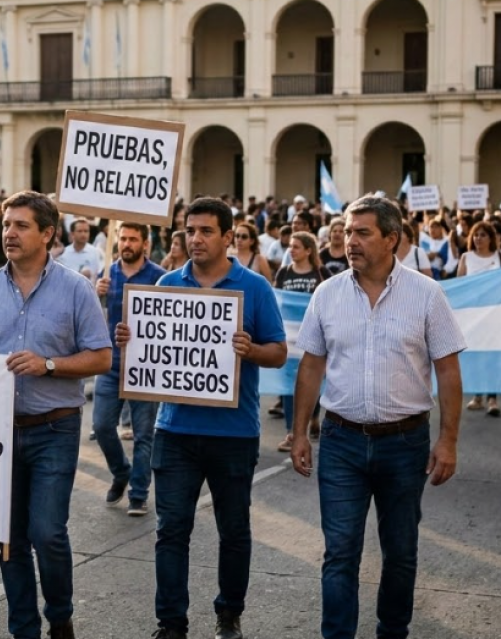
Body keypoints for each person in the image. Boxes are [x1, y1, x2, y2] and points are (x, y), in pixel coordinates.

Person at [289, 195, 465, 639]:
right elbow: (311, 366)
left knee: (401, 552)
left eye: (362, 232)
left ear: (392, 238)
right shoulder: (327, 294)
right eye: (348, 231)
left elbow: (447, 370)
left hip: (405, 445)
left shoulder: (427, 294)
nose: (350, 241)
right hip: (342, 442)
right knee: (340, 553)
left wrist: (448, 441)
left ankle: (393, 631)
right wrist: (298, 433)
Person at [116, 197, 287, 639]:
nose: (195, 238)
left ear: (229, 237)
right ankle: (171, 622)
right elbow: (150, 350)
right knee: (171, 530)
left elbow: (279, 352)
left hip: (234, 434)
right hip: (174, 432)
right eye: (190, 230)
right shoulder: (169, 284)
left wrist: (250, 350)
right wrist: (130, 340)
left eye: (206, 231)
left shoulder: (254, 288)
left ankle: (229, 612)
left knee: (234, 531)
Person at [0, 191, 111, 639]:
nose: (9, 233)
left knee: (47, 532)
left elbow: (101, 357)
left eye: (21, 225)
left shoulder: (76, 288)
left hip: (54, 427)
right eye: (6, 224)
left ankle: (59, 616)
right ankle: (22, 628)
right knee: (9, 538)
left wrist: (48, 364)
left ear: (48, 234)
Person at [93, 222, 166, 517]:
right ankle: (121, 471)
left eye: (133, 239)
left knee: (144, 433)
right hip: (110, 363)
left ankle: (138, 493)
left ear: (145, 244)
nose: (126, 244)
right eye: (123, 238)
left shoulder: (160, 277)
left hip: (144, 364)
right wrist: (96, 293)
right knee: (101, 426)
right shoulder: (108, 273)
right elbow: (91, 317)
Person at [273, 231, 331, 452]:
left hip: (314, 335)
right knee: (289, 384)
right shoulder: (284, 272)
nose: (291, 250)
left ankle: (313, 416)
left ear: (308, 250)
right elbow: (276, 298)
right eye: (290, 246)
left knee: (312, 379)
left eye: (296, 246)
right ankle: (292, 432)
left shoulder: (320, 272)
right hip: (289, 336)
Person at [457, 221, 500, 416]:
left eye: (483, 235)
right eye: (475, 235)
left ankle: (493, 399)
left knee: (493, 355)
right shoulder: (466, 258)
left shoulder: (498, 257)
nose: (478, 238)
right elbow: (460, 288)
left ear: (491, 238)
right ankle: (477, 396)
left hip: (494, 315)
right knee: (476, 354)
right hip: (473, 316)